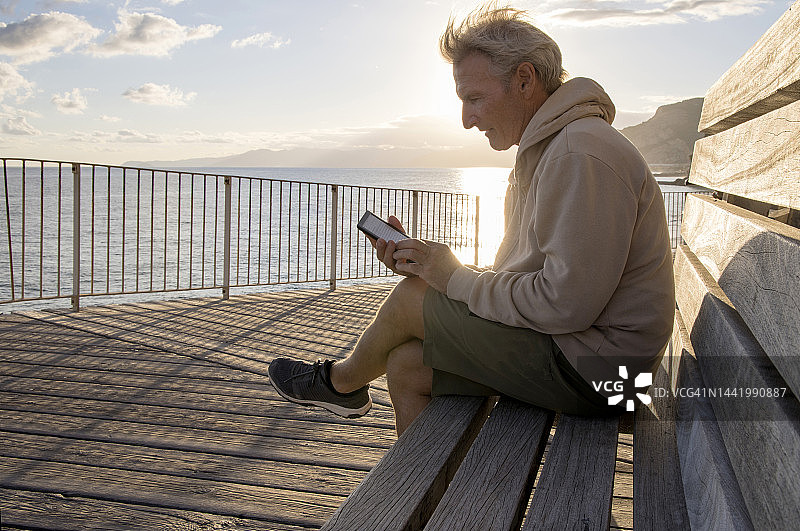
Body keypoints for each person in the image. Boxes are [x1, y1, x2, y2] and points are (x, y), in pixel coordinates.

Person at [268, 5, 675, 435]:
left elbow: (564, 304)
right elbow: (540, 280)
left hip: (607, 374)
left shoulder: (579, 153)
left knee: (414, 298)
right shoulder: (552, 148)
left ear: (524, 79)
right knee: (405, 365)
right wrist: (433, 266)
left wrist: (449, 280)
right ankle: (422, 500)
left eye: (474, 98)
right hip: (585, 353)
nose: (466, 120)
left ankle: (341, 383)